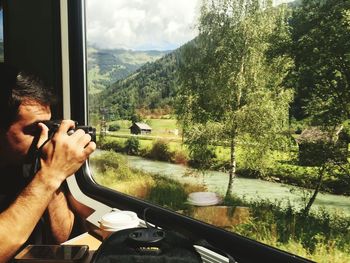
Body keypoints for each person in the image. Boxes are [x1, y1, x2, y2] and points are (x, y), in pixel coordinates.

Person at [0, 63, 96, 261]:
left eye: (48, 127)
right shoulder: (44, 176)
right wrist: (49, 177)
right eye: (34, 129)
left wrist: (50, 174)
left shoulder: (33, 165)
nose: (44, 138)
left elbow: (61, 237)